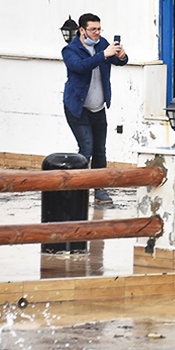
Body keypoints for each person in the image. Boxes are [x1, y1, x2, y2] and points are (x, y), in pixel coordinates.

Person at [62, 13, 127, 206]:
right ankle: (76, 188)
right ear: (82, 30)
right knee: (87, 148)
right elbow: (80, 67)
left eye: (99, 29)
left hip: (99, 108)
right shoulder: (70, 50)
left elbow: (118, 61)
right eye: (93, 29)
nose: (97, 33)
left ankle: (100, 190)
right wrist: (103, 55)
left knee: (100, 151)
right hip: (77, 108)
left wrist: (122, 56)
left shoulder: (102, 44)